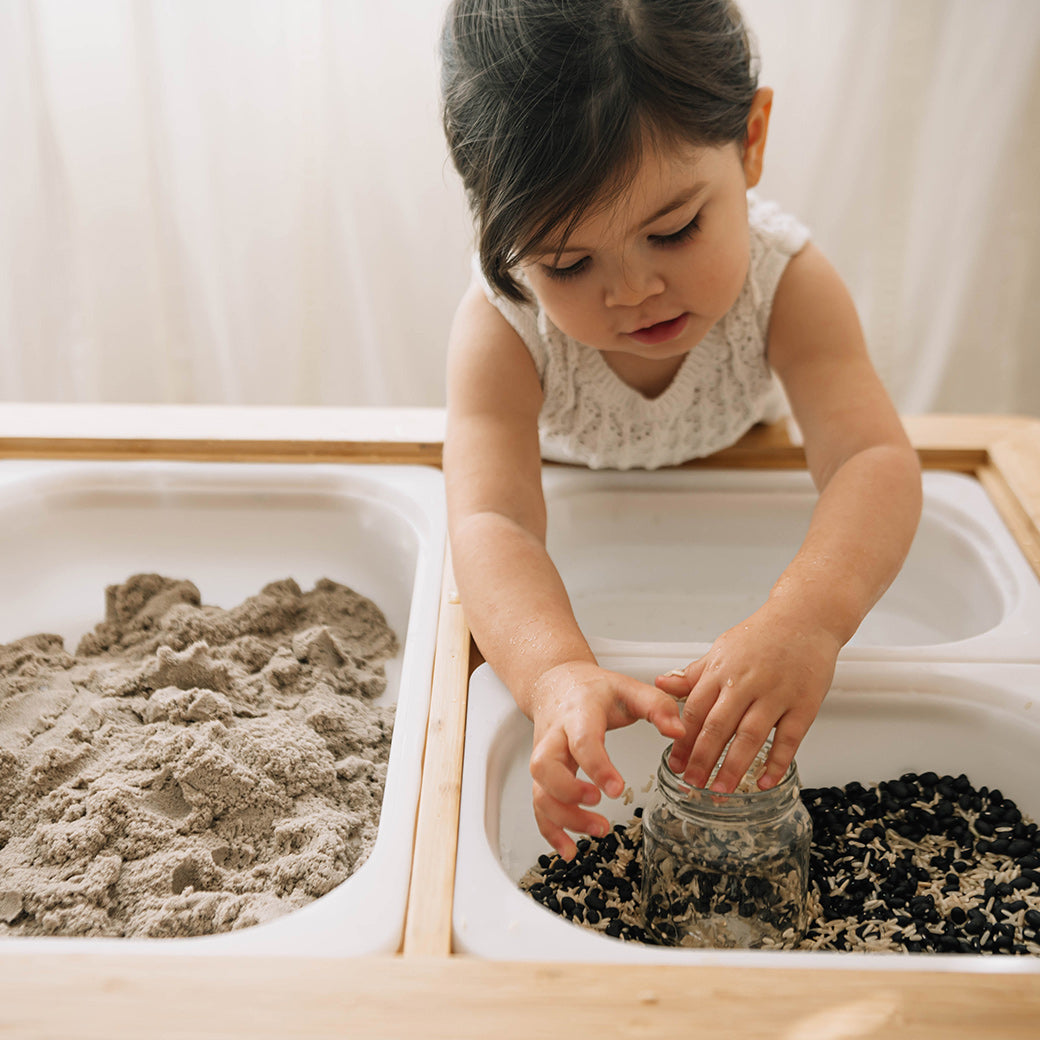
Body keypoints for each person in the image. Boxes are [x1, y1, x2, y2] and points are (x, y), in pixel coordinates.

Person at [439, 0, 923, 859]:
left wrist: (807, 619)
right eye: (567, 263)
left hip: (734, 490)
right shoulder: (502, 331)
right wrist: (555, 673)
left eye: (674, 230)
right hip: (580, 508)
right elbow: (493, 522)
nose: (632, 293)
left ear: (752, 139)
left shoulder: (789, 285)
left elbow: (873, 459)